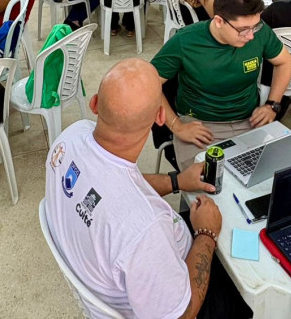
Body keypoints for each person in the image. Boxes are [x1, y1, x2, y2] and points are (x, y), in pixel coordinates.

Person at [45, 58, 252, 318]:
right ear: (160, 117)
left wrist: (176, 181)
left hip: (117, 267)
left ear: (95, 103)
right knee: (249, 287)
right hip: (177, 296)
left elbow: (117, 183)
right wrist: (206, 234)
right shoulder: (143, 228)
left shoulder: (70, 137)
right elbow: (183, 314)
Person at [151, 0, 291, 171]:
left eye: (255, 26)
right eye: (243, 30)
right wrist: (176, 125)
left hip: (249, 120)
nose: (251, 36)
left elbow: (284, 62)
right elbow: (149, 84)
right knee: (208, 184)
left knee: (273, 176)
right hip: (200, 125)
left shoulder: (259, 32)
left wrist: (272, 105)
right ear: (219, 21)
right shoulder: (185, 41)